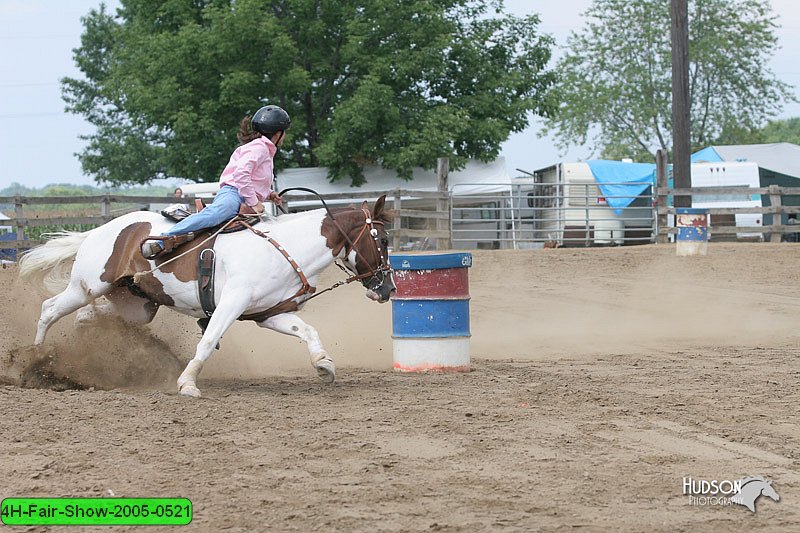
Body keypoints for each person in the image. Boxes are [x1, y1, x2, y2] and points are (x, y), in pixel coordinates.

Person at [141, 105, 290, 258]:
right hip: (234, 194)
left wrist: (269, 194)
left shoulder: (264, 150)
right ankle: (162, 240)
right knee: (217, 214)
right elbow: (241, 174)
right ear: (278, 133)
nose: (284, 137)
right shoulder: (259, 149)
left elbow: (255, 180)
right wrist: (254, 202)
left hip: (244, 197)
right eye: (284, 133)